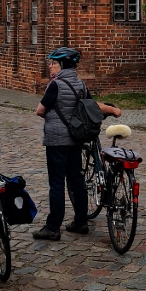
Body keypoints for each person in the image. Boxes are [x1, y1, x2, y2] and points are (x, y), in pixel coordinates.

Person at [33, 47, 121, 241]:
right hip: (75, 139)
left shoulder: (55, 85)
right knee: (76, 181)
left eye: (53, 63)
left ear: (62, 65)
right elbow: (91, 105)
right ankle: (81, 222)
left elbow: (40, 110)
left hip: (56, 142)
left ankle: (52, 227)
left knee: (56, 183)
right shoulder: (80, 84)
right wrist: (113, 110)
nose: (50, 66)